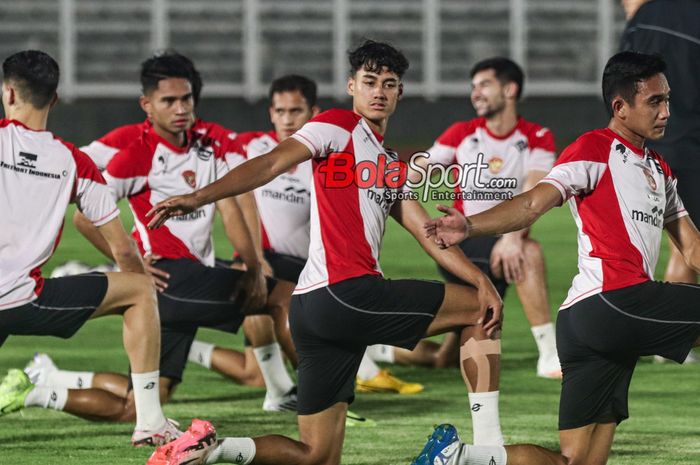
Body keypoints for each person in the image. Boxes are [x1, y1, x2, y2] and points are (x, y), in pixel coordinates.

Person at [145, 39, 504, 465]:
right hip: (346, 292)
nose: (379, 92)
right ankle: (487, 449)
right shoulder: (336, 125)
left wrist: (480, 277)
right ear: (352, 85)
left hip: (312, 311)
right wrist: (198, 197)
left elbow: (427, 232)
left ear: (399, 93)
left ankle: (209, 450)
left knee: (315, 455)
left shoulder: (387, 163)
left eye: (389, 84)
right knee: (479, 310)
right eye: (369, 82)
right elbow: (272, 163)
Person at [412, 51, 700, 465]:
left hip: (591, 324)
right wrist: (470, 227)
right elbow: (532, 204)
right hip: (613, 301)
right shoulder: (592, 149)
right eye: (655, 101)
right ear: (620, 107)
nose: (666, 111)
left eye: (667, 99)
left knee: (574, 462)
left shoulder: (660, 169)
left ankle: (458, 457)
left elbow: (691, 248)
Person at [18, 51, 298, 419]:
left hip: (183, 282)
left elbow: (230, 205)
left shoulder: (207, 143)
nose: (180, 108)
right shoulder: (136, 154)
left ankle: (38, 391)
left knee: (144, 404)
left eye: (186, 99)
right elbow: (85, 220)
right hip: (172, 277)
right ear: (147, 105)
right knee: (286, 297)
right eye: (169, 101)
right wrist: (131, 265)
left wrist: (251, 262)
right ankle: (315, 398)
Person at [189, 74, 423, 398]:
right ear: (271, 113)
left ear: (312, 112)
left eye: (295, 111)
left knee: (252, 372)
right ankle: (312, 389)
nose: (287, 120)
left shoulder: (328, 150)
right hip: (270, 261)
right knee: (262, 284)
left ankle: (345, 376)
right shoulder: (250, 147)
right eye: (280, 111)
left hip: (312, 265)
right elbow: (207, 153)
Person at [0, 50, 181, 447]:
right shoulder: (75, 162)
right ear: (55, 99)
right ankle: (151, 421)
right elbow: (124, 250)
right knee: (138, 289)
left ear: (9, 94)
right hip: (21, 300)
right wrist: (137, 270)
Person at [369, 57, 561, 386]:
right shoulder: (462, 133)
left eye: (484, 85)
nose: (476, 93)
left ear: (510, 89)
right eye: (473, 87)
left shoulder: (537, 137)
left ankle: (382, 349)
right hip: (464, 242)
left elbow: (535, 191)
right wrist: (380, 183)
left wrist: (512, 236)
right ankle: (549, 353)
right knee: (529, 253)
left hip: (504, 243)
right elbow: (418, 171)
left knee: (448, 356)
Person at [621, 0, 699, 363]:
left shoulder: (644, 17)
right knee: (687, 237)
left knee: (666, 237)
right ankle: (665, 335)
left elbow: (620, 79)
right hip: (687, 142)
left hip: (643, 144)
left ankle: (660, 334)